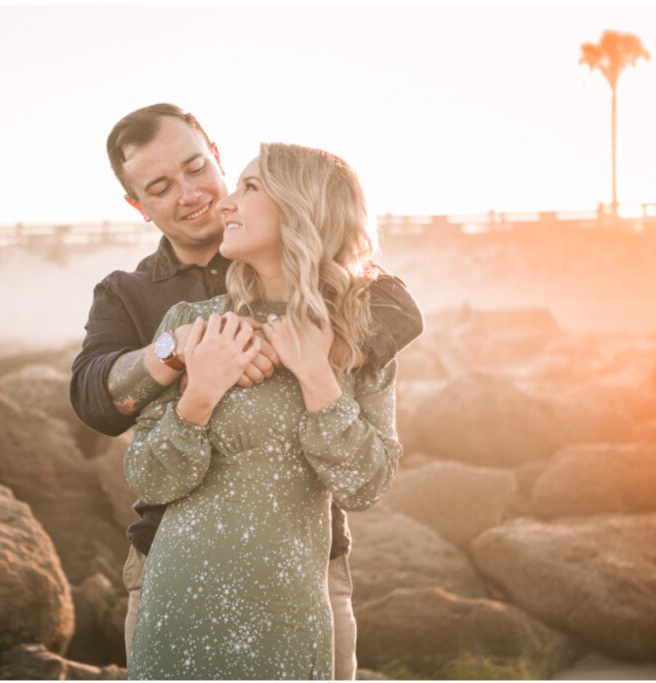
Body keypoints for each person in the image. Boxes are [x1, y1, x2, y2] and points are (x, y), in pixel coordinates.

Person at [69, 104, 423, 677]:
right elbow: (93, 399)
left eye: (196, 168)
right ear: (139, 206)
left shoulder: (355, 306)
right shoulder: (132, 296)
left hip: (308, 572)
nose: (193, 194)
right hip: (172, 562)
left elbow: (399, 310)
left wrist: (309, 354)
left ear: (216, 158)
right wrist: (182, 353)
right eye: (160, 187)